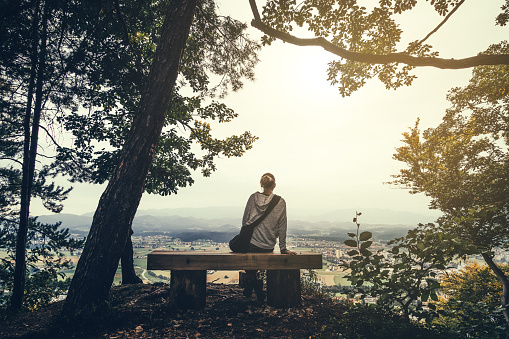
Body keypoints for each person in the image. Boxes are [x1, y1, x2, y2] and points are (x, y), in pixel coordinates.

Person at [242, 172, 296, 302]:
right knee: (255, 260)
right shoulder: (281, 202)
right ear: (274, 185)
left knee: (248, 259)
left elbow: (245, 221)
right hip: (268, 246)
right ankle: (255, 284)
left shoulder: (252, 198)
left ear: (261, 184)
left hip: (251, 244)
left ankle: (253, 282)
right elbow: (282, 226)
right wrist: (283, 248)